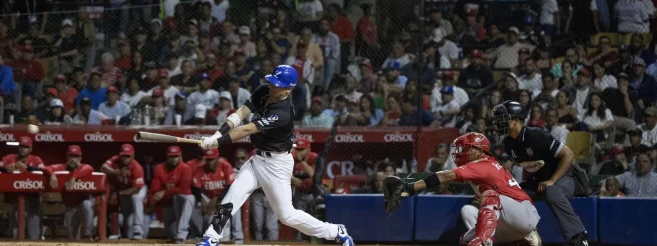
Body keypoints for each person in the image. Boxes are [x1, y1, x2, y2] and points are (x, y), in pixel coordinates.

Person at [195, 65, 354, 246]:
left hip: (277, 164)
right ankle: (211, 237)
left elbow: (248, 128)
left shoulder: (283, 112)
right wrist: (217, 134)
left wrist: (217, 142)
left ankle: (334, 231)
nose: (272, 86)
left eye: (277, 84)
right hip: (257, 159)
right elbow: (241, 113)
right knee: (232, 196)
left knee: (287, 216)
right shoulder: (265, 90)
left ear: (288, 89)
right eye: (272, 81)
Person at [384, 132, 541, 246]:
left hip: (523, 213)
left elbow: (445, 176)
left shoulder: (482, 164)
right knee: (465, 241)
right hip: (510, 218)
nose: (462, 152)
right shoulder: (485, 164)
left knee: (489, 195)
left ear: (480, 150)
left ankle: (483, 241)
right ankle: (522, 240)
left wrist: (410, 187)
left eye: (467, 148)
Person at [493, 101, 590, 246]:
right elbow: (528, 165)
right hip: (541, 180)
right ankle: (520, 236)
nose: (499, 122)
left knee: (551, 190)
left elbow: (568, 155)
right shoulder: (509, 143)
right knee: (511, 194)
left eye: (503, 118)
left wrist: (551, 181)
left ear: (516, 120)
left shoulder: (536, 134)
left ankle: (579, 237)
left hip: (568, 177)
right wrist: (523, 189)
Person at [44, 145, 96, 240]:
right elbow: (46, 168)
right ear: (67, 157)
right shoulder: (62, 167)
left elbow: (90, 168)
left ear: (80, 158)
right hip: (70, 205)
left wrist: (74, 177)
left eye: (76, 157)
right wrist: (52, 175)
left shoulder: (83, 167)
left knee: (87, 204)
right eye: (70, 156)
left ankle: (89, 234)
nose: (73, 159)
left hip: (82, 202)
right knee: (73, 238)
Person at [148, 145, 194, 242]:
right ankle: (181, 235)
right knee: (171, 235)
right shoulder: (159, 168)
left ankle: (183, 232)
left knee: (189, 198)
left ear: (180, 157)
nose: (173, 159)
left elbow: (183, 188)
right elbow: (155, 189)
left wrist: (165, 190)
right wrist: (168, 191)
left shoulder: (186, 168)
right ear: (167, 157)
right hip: (167, 204)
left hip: (181, 204)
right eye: (171, 157)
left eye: (176, 156)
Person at [101, 144, 146, 240]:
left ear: (133, 156)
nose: (125, 158)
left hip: (137, 189)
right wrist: (117, 172)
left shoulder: (137, 168)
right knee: (128, 221)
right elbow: (103, 168)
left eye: (128, 156)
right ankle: (128, 234)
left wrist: (117, 194)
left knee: (136, 198)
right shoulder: (115, 160)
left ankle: (138, 231)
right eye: (123, 156)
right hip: (123, 191)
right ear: (120, 155)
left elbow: (136, 189)